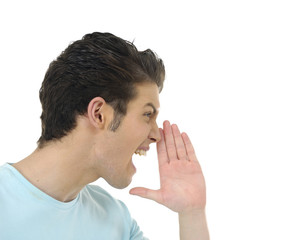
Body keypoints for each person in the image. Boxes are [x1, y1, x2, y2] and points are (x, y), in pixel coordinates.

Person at [0, 32, 209, 240]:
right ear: (99, 114)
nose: (157, 135)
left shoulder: (115, 220)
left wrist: (192, 213)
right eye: (147, 114)